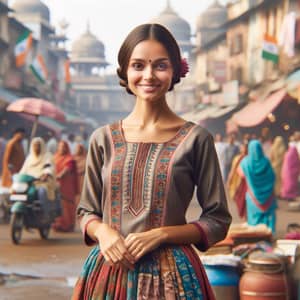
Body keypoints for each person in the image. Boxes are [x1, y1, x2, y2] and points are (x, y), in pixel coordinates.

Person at [72, 23, 231, 300]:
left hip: (173, 278)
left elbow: (217, 219)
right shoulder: (103, 139)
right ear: (124, 70)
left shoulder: (196, 139)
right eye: (138, 65)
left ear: (175, 71)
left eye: (160, 65)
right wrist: (104, 232)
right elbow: (86, 211)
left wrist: (162, 235)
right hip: (109, 273)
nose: (148, 75)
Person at [238, 140, 277, 233]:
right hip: (268, 196)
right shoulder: (266, 161)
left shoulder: (245, 162)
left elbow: (240, 174)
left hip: (252, 196)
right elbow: (272, 176)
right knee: (268, 217)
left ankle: (256, 237)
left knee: (254, 218)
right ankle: (268, 234)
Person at [19, 137, 57, 220]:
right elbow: (23, 170)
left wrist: (46, 175)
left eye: (38, 146)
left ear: (42, 146)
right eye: (35, 146)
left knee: (42, 192)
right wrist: (18, 178)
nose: (36, 148)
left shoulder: (47, 156)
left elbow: (49, 167)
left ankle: (44, 213)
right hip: (28, 183)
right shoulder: (29, 158)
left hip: (42, 182)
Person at [52, 140, 78, 232]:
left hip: (66, 187)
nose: (62, 148)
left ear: (67, 148)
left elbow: (67, 168)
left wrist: (60, 175)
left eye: (64, 146)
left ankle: (68, 225)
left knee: (66, 205)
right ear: (58, 148)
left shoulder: (69, 159)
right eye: (60, 146)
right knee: (56, 204)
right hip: (55, 185)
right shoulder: (54, 158)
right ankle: (58, 224)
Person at [226, 142, 248, 218]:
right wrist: (229, 181)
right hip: (238, 182)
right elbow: (233, 170)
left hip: (247, 184)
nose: (242, 149)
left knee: (246, 201)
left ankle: (246, 218)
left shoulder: (249, 158)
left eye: (244, 147)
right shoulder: (237, 158)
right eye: (242, 147)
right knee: (239, 199)